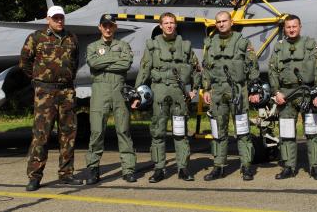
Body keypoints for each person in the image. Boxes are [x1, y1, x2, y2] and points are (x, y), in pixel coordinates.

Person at [132, 12, 201, 183]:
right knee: (158, 133)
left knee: (180, 133)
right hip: (159, 93)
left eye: (172, 23)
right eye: (166, 23)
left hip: (179, 94)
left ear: (175, 25)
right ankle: (159, 169)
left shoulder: (185, 46)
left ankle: (183, 168)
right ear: (160, 26)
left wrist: (195, 89)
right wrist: (136, 94)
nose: (169, 26)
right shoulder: (153, 46)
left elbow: (196, 69)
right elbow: (144, 70)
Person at [20, 6, 82, 191]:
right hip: (45, 93)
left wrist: (66, 78)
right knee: (41, 135)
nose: (59, 21)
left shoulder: (72, 38)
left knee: (68, 135)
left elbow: (75, 61)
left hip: (66, 93)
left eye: (61, 18)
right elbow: (24, 62)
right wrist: (39, 79)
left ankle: (66, 174)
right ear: (48, 19)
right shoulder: (36, 37)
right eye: (55, 18)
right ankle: (35, 176)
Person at [202, 11, 260, 181]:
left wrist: (253, 90)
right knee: (218, 131)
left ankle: (247, 166)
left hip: (238, 90)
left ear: (231, 22)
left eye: (224, 21)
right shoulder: (211, 43)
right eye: (218, 22)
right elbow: (206, 68)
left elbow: (252, 66)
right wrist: (206, 89)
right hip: (217, 91)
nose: (221, 24)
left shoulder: (242, 42)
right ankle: (218, 166)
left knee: (242, 130)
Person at [268, 14, 317, 180]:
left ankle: (315, 167)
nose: (291, 29)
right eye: (288, 27)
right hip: (285, 95)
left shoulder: (310, 45)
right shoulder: (279, 47)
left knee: (312, 132)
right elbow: (272, 71)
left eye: (294, 26)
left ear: (300, 27)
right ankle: (288, 167)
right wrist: (276, 92)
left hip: (307, 94)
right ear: (284, 29)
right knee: (286, 133)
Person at [85, 14, 137, 185]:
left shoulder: (123, 45)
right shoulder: (92, 46)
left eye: (111, 26)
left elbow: (126, 64)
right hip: (100, 90)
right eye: (104, 25)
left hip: (119, 90)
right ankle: (93, 169)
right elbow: (93, 64)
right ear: (100, 27)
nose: (108, 29)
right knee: (97, 131)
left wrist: (104, 61)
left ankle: (128, 169)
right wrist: (115, 58)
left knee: (124, 130)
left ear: (115, 27)